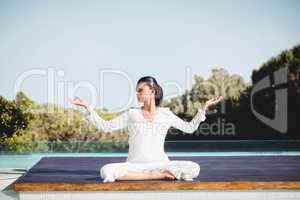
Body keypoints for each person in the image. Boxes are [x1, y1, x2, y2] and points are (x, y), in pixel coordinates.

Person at [71, 76, 222, 182]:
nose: (137, 94)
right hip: (134, 166)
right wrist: (88, 108)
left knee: (194, 168)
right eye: (137, 91)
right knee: (105, 171)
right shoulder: (132, 114)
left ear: (152, 91)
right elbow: (106, 126)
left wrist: (204, 108)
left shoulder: (165, 114)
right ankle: (158, 176)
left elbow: (189, 128)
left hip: (161, 164)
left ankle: (158, 173)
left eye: (140, 90)